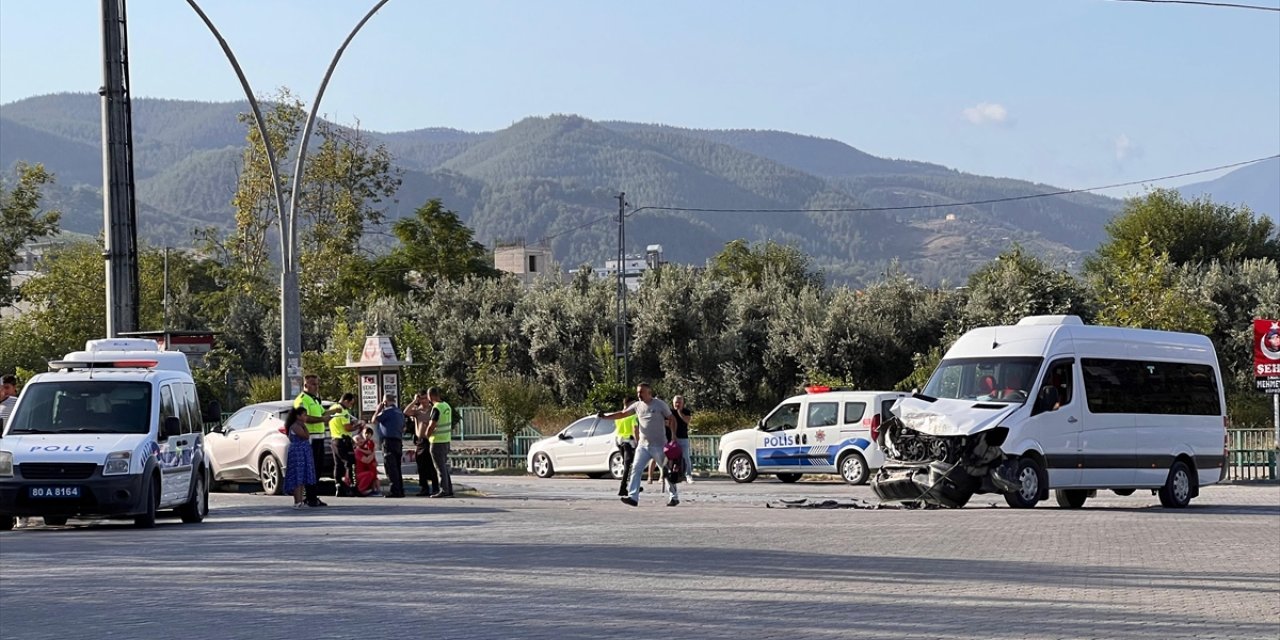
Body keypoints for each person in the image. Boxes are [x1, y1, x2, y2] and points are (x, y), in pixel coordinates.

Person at [600, 383, 678, 507]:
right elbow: (622, 414)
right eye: (637, 392)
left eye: (641, 392)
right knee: (636, 469)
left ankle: (674, 497)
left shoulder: (659, 404)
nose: (639, 395)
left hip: (659, 445)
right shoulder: (636, 406)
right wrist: (605, 417)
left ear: (649, 392)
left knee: (666, 470)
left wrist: (673, 436)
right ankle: (633, 497)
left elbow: (672, 419)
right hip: (643, 445)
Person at [293, 374, 340, 507]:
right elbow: (305, 418)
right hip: (310, 438)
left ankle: (313, 496)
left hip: (319, 437)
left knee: (317, 469)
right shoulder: (302, 400)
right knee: (310, 468)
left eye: (317, 384)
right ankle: (310, 497)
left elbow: (321, 414)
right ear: (306, 385)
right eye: (313, 384)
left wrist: (332, 412)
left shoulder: (315, 399)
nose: (316, 386)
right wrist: (322, 419)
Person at [404, 391, 438, 497]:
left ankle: (435, 487)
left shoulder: (433, 410)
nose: (423, 401)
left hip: (431, 439)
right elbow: (406, 412)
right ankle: (424, 488)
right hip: (420, 441)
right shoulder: (417, 411)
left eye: (424, 398)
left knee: (431, 465)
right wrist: (414, 401)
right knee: (421, 465)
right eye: (421, 399)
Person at [282, 407, 317, 510]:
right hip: (297, 452)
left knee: (302, 478)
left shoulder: (300, 425)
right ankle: (297, 501)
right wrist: (305, 427)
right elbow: (305, 436)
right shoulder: (295, 426)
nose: (306, 417)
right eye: (304, 415)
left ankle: (301, 500)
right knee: (297, 476)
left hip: (303, 451)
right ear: (298, 416)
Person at [423, 387, 454, 498]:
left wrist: (426, 434)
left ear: (430, 396)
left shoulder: (436, 408)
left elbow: (432, 425)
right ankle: (449, 489)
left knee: (440, 468)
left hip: (437, 442)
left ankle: (444, 490)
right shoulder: (447, 406)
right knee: (444, 467)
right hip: (446, 440)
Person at [328, 393, 361, 497]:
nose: (350, 406)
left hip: (334, 439)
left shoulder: (333, 408)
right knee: (351, 463)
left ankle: (338, 486)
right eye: (350, 404)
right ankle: (353, 487)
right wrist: (358, 425)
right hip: (344, 441)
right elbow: (347, 428)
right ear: (346, 401)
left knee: (338, 464)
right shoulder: (343, 411)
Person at [373, 393, 406, 498]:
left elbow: (374, 420)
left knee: (391, 467)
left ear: (385, 402)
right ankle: (400, 489)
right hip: (398, 441)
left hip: (388, 442)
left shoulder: (387, 412)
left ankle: (394, 490)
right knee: (397, 467)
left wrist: (378, 409)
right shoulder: (399, 412)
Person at [613, 396, 639, 497]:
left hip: (619, 441)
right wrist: (638, 442)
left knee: (627, 464)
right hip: (629, 442)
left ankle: (633, 485)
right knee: (630, 465)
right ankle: (623, 487)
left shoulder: (619, 415)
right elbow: (635, 429)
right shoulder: (632, 416)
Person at [672, 395, 694, 483]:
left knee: (685, 457)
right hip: (672, 438)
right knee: (671, 458)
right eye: (676, 402)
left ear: (683, 403)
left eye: (679, 402)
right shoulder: (670, 412)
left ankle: (688, 475)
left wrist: (679, 412)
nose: (677, 404)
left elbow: (687, 421)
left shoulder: (686, 411)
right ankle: (673, 475)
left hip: (683, 438)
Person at [353, 426, 381, 497]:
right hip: (359, 472)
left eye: (369, 433)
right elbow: (367, 460)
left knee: (374, 476)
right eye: (357, 440)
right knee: (371, 475)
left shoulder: (369, 443)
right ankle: (362, 489)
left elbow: (369, 452)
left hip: (370, 464)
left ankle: (376, 490)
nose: (367, 435)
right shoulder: (358, 450)